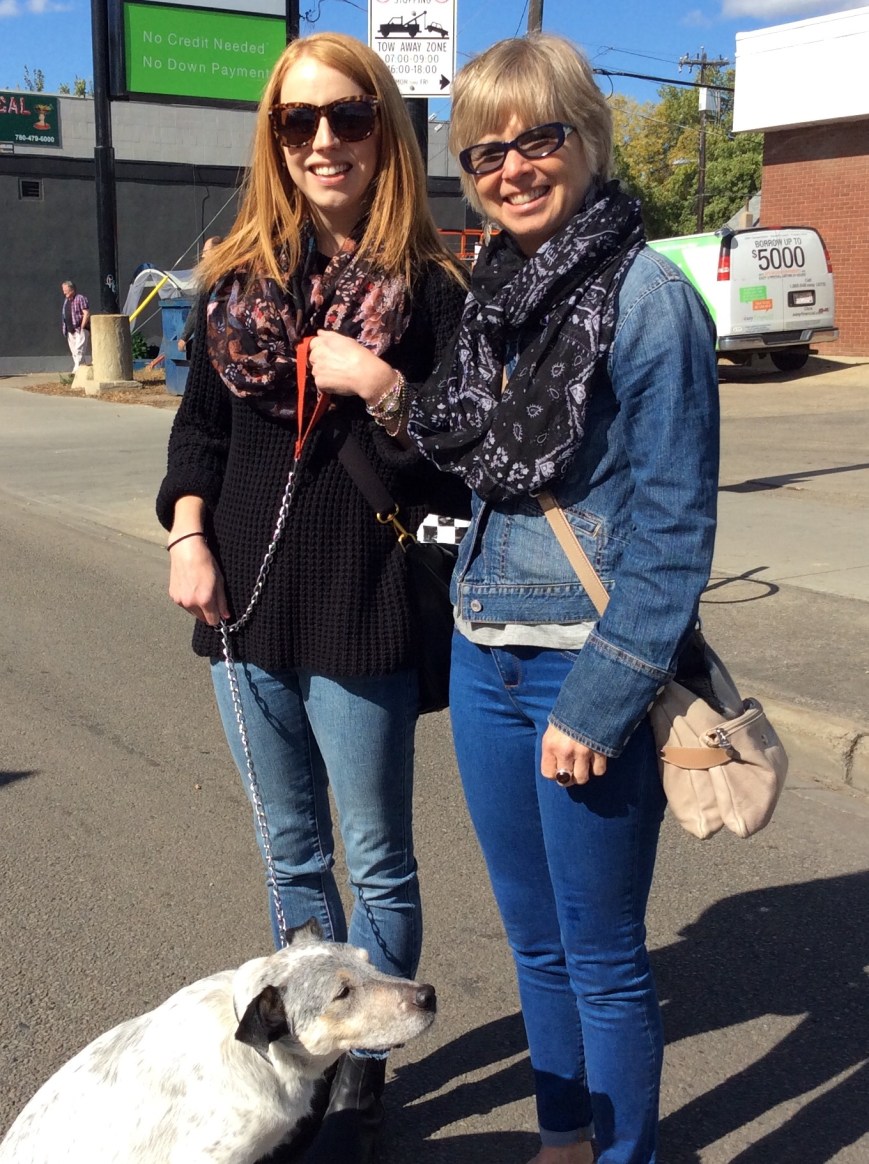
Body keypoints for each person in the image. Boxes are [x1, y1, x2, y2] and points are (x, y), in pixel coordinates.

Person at [155, 31, 468, 1164]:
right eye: (300, 122)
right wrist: (188, 533)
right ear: (275, 140)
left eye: (346, 116)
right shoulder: (234, 277)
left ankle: (365, 1066)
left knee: (376, 856)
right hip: (240, 605)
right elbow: (199, 429)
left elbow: (450, 466)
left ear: (382, 126)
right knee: (291, 852)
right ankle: (310, 1050)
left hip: (365, 602)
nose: (324, 139)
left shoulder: (431, 289)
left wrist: (380, 384)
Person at [407, 34, 720, 1164]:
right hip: (481, 650)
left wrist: (598, 700)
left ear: (584, 137)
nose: (511, 168)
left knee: (598, 953)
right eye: (484, 151)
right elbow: (472, 466)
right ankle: (561, 1143)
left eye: (535, 139)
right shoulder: (496, 295)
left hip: (581, 670)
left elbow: (675, 536)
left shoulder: (648, 302)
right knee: (532, 943)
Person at [177, 235, 222, 362]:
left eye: (205, 252)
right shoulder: (231, 273)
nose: (202, 256)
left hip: (210, 338)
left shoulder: (209, 276)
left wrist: (184, 337)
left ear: (215, 252)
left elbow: (197, 308)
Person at [60, 280, 91, 369]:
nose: (64, 291)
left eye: (65, 289)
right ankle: (82, 369)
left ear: (72, 289)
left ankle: (76, 371)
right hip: (70, 330)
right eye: (63, 289)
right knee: (74, 352)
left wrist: (82, 327)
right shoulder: (66, 301)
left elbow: (86, 313)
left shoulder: (80, 298)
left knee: (79, 350)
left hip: (79, 329)